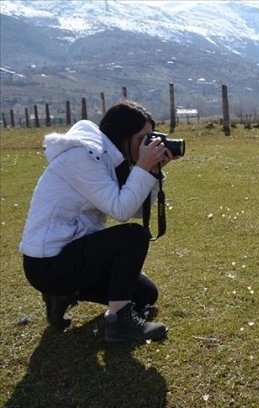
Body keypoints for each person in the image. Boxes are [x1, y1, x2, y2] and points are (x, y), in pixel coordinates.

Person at [19, 100, 174, 342]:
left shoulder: (110, 158)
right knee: (134, 236)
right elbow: (121, 211)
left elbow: (135, 210)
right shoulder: (84, 156)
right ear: (124, 136)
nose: (149, 144)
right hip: (47, 264)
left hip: (70, 254)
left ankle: (64, 294)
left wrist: (151, 172)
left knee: (145, 295)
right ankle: (119, 323)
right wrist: (143, 166)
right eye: (144, 138)